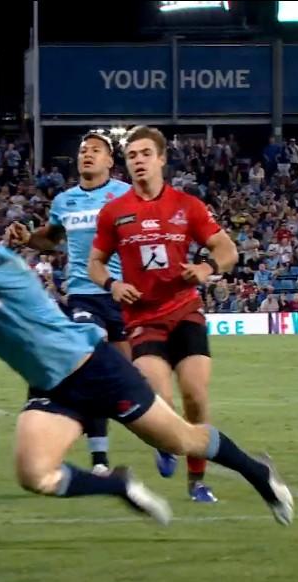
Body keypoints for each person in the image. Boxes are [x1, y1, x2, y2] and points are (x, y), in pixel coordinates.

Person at [0, 204, 294, 525]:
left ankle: (259, 474)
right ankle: (115, 485)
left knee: (183, 438)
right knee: (35, 475)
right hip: (51, 386)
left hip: (95, 368)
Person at [87, 125, 240, 504]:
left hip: (185, 311)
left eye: (144, 154)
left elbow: (227, 249)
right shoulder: (114, 212)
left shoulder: (187, 206)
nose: (138, 161)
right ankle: (166, 442)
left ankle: (197, 481)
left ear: (160, 159)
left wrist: (207, 269)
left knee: (195, 396)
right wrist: (112, 285)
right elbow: (95, 263)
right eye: (131, 156)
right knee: (161, 398)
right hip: (142, 319)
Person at [6, 132, 132, 475]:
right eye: (82, 150)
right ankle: (101, 460)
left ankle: (164, 441)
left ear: (110, 161)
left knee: (130, 383)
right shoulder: (65, 201)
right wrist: (27, 238)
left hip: (123, 295)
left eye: (96, 150)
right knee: (89, 360)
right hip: (83, 294)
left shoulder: (125, 195)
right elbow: (52, 238)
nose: (87, 155)